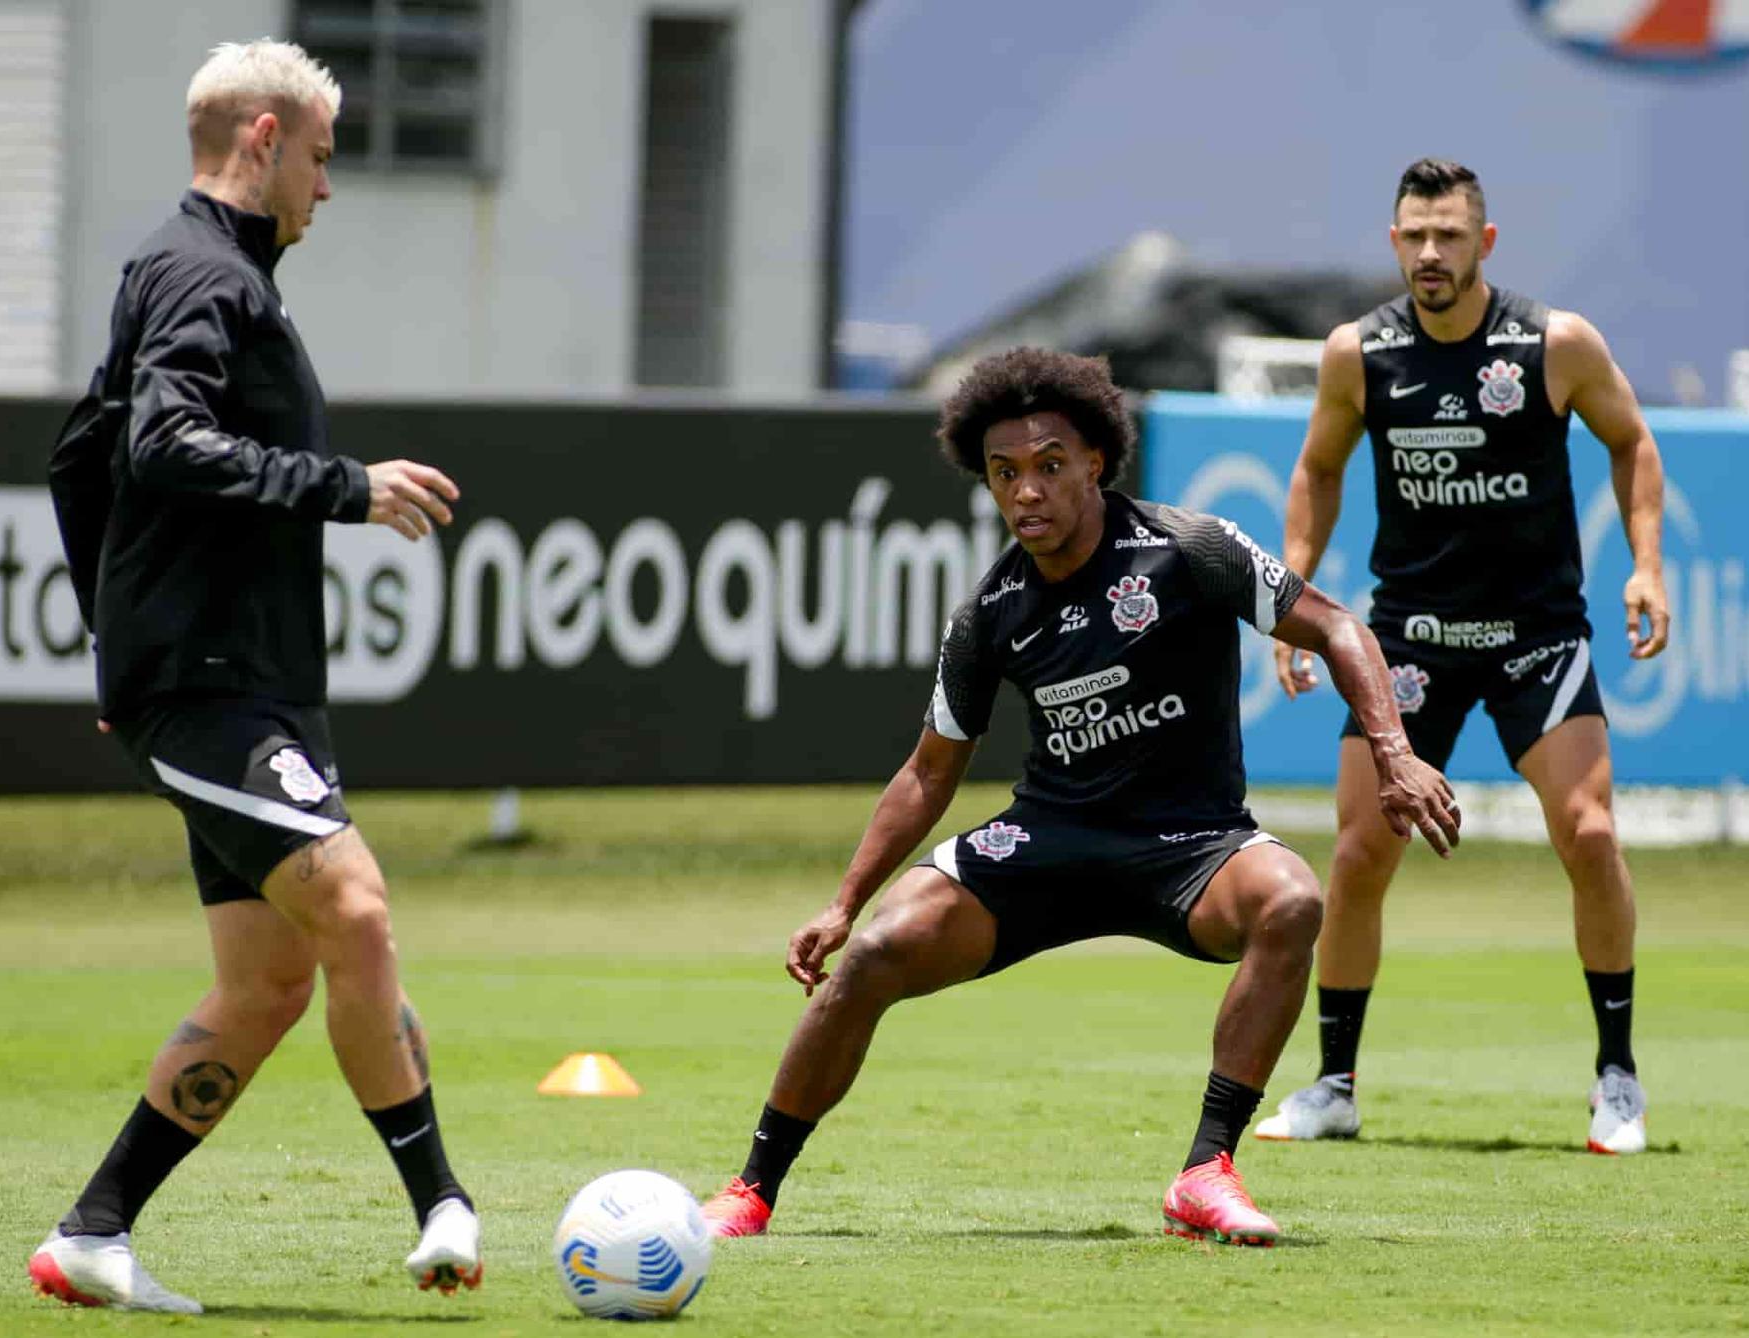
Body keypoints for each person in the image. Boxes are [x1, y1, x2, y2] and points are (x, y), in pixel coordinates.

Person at [698, 348, 1459, 1248]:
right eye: (1005, 474)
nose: (1027, 492)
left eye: (1050, 466)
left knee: (1291, 901)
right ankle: (751, 1189)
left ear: (1095, 461)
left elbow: (1334, 625)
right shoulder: (991, 613)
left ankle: (1205, 1173)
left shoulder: (1191, 549)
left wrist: (1394, 752)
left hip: (1193, 845)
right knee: (876, 953)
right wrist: (844, 902)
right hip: (1049, 842)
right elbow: (927, 772)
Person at [32, 41, 479, 1313]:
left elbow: (81, 462)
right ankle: (442, 1202)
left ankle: (93, 1234)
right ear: (267, 137)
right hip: (212, 686)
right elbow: (164, 443)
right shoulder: (199, 273)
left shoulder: (210, 274)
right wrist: (348, 486)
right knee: (361, 910)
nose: (328, 191)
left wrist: (113, 628)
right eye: (325, 160)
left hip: (242, 680)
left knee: (269, 982)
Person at [1252, 159, 1668, 1155]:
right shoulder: (1360, 352)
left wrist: (1648, 566)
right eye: (1412, 236)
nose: (1429, 253)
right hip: (1410, 642)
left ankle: (1617, 1080)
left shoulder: (1553, 345)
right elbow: (1316, 470)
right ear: (1393, 242)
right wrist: (1293, 597)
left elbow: (1634, 443)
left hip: (1537, 636)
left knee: (1592, 835)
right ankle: (1335, 1085)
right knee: (1356, 858)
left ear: (1485, 243)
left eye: (1447, 235)